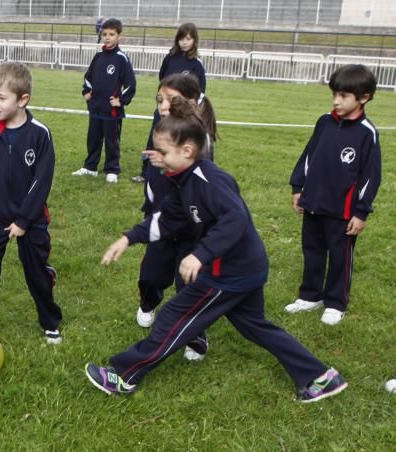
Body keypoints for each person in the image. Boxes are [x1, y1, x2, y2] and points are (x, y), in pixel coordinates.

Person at [85, 98, 347, 403]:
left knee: (172, 315)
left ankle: (124, 376)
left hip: (230, 272)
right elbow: (168, 219)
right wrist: (128, 238)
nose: (156, 158)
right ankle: (320, 377)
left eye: (163, 153)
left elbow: (235, 219)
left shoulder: (209, 180)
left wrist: (201, 254)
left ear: (187, 151)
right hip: (246, 268)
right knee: (255, 326)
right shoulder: (183, 180)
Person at [0, 62, 62, 345]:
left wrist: (23, 221)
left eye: (1, 97)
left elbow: (41, 183)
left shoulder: (39, 134)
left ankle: (50, 322)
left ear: (23, 100)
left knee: (36, 273)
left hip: (30, 220)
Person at [285, 64, 381, 326]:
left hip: (343, 211)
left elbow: (371, 176)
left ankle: (336, 302)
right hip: (314, 203)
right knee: (312, 250)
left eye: (343, 96)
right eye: (334, 94)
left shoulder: (367, 133)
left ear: (364, 98)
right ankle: (310, 295)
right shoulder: (324, 122)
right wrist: (298, 187)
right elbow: (308, 156)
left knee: (340, 257)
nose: (336, 101)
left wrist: (361, 212)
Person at [134, 73, 218, 368]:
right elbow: (152, 174)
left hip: (190, 228)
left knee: (189, 285)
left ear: (191, 102)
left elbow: (201, 184)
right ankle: (148, 301)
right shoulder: (159, 129)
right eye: (159, 100)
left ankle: (195, 334)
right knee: (152, 275)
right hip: (160, 222)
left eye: (171, 100)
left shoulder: (198, 137)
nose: (163, 105)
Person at [132, 22, 205, 184]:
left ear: (194, 40)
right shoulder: (170, 58)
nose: (184, 42)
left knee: (175, 141)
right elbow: (162, 80)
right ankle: (146, 172)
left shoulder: (197, 64)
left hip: (181, 112)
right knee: (154, 138)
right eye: (181, 39)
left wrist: (186, 109)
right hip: (163, 110)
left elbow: (200, 92)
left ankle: (175, 171)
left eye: (188, 39)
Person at [72, 18, 136, 184]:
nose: (107, 37)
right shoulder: (98, 56)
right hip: (96, 108)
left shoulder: (121, 58)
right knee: (93, 138)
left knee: (111, 141)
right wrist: (86, 92)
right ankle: (90, 167)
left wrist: (121, 101)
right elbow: (88, 77)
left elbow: (131, 84)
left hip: (112, 112)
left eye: (111, 34)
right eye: (105, 34)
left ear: (119, 36)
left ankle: (112, 169)